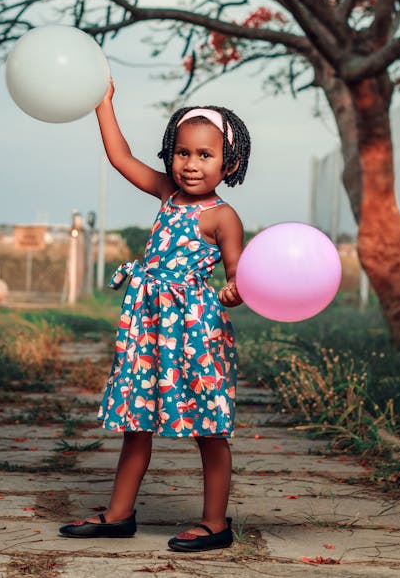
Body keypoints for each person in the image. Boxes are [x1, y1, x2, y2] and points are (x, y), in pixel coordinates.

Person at [59, 80, 251, 552]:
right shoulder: (166, 195)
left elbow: (239, 277)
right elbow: (121, 158)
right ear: (171, 155)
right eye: (182, 153)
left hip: (195, 333)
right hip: (147, 327)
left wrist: (232, 294)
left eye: (205, 155)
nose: (191, 164)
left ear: (230, 163)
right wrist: (104, 103)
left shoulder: (222, 217)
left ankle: (214, 522)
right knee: (136, 421)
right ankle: (120, 514)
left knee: (208, 427)